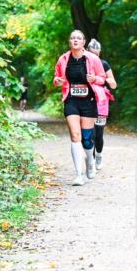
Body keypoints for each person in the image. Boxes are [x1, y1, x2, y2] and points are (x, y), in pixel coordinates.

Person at [53, 30, 108, 186]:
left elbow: (102, 79)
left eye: (78, 38)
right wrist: (57, 81)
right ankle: (78, 175)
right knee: (75, 135)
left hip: (89, 100)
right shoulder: (63, 59)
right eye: (72, 38)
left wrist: (94, 78)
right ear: (70, 42)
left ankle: (90, 160)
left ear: (83, 42)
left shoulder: (93, 59)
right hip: (71, 100)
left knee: (86, 138)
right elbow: (57, 77)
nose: (75, 40)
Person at [86, 39, 117, 169]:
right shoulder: (83, 64)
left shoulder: (104, 64)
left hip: (101, 102)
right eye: (92, 53)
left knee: (98, 134)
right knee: (89, 133)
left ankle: (98, 155)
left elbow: (114, 84)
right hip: (87, 101)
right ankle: (91, 159)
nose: (95, 56)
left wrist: (108, 80)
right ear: (87, 52)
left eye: (97, 54)